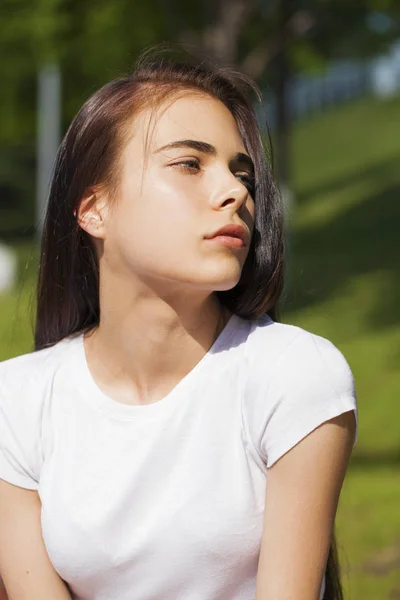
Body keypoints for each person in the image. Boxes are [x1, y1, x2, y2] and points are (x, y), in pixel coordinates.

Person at [0, 50, 357, 600]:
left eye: (242, 173)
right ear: (94, 208)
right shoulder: (16, 402)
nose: (235, 192)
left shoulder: (293, 375)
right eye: (190, 164)